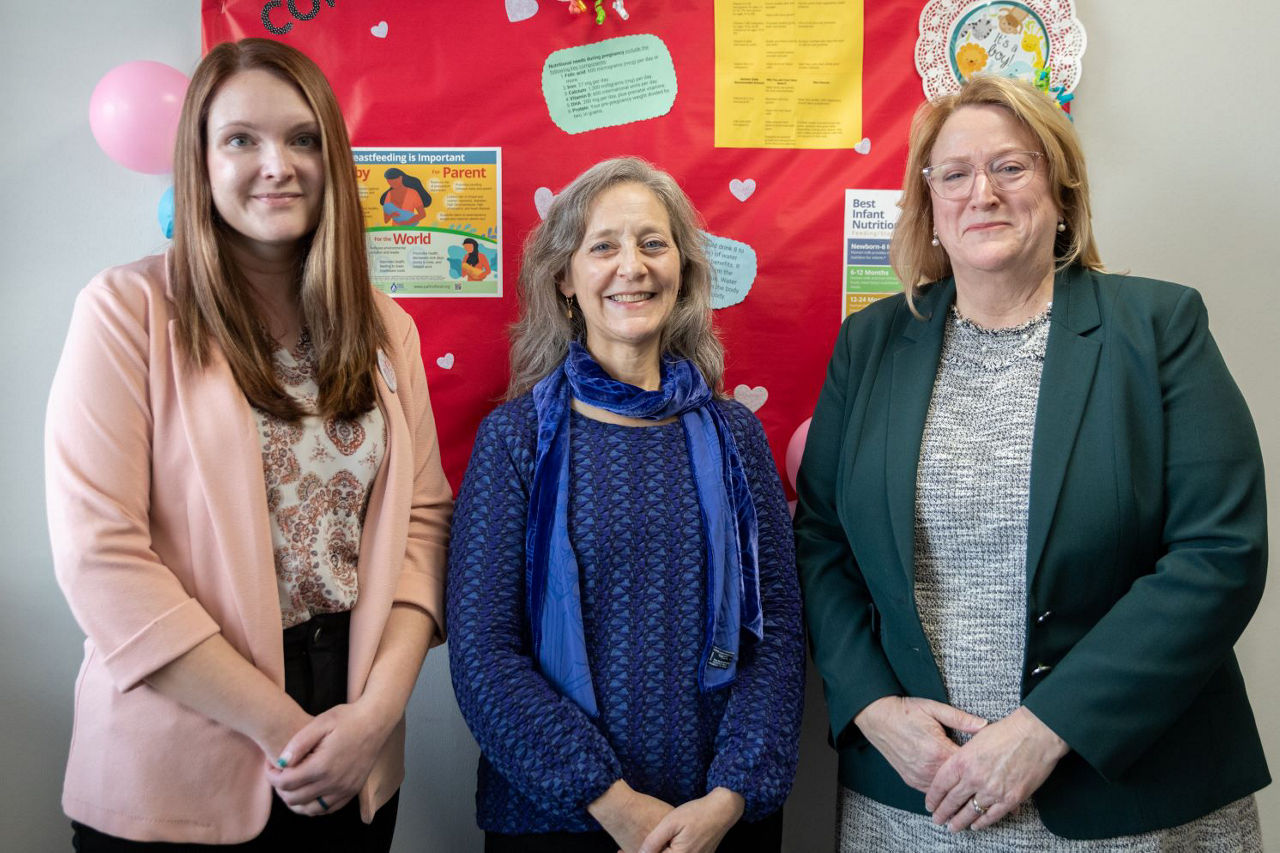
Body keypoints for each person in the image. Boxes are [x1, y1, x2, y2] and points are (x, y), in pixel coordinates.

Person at [794, 74, 1268, 850]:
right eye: (955, 173)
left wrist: (1050, 727)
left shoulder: (1159, 327)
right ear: (931, 208)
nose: (982, 191)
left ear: (1061, 191)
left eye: (1012, 167)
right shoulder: (870, 344)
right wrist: (874, 706)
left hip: (1133, 799)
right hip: (916, 796)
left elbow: (1221, 553)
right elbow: (820, 540)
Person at [45, 38, 452, 850]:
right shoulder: (127, 311)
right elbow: (103, 557)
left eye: (303, 139)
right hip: (184, 748)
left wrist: (372, 718)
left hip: (356, 745)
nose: (279, 165)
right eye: (241, 140)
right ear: (199, 159)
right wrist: (287, 728)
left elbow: (423, 526)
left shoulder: (383, 324)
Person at [446, 157, 804, 853]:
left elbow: (779, 637)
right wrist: (610, 802)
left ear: (683, 272)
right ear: (565, 279)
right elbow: (484, 653)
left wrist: (729, 796)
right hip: (557, 820)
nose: (631, 266)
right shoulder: (516, 440)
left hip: (718, 824)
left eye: (652, 243)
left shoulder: (736, 436)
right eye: (603, 245)